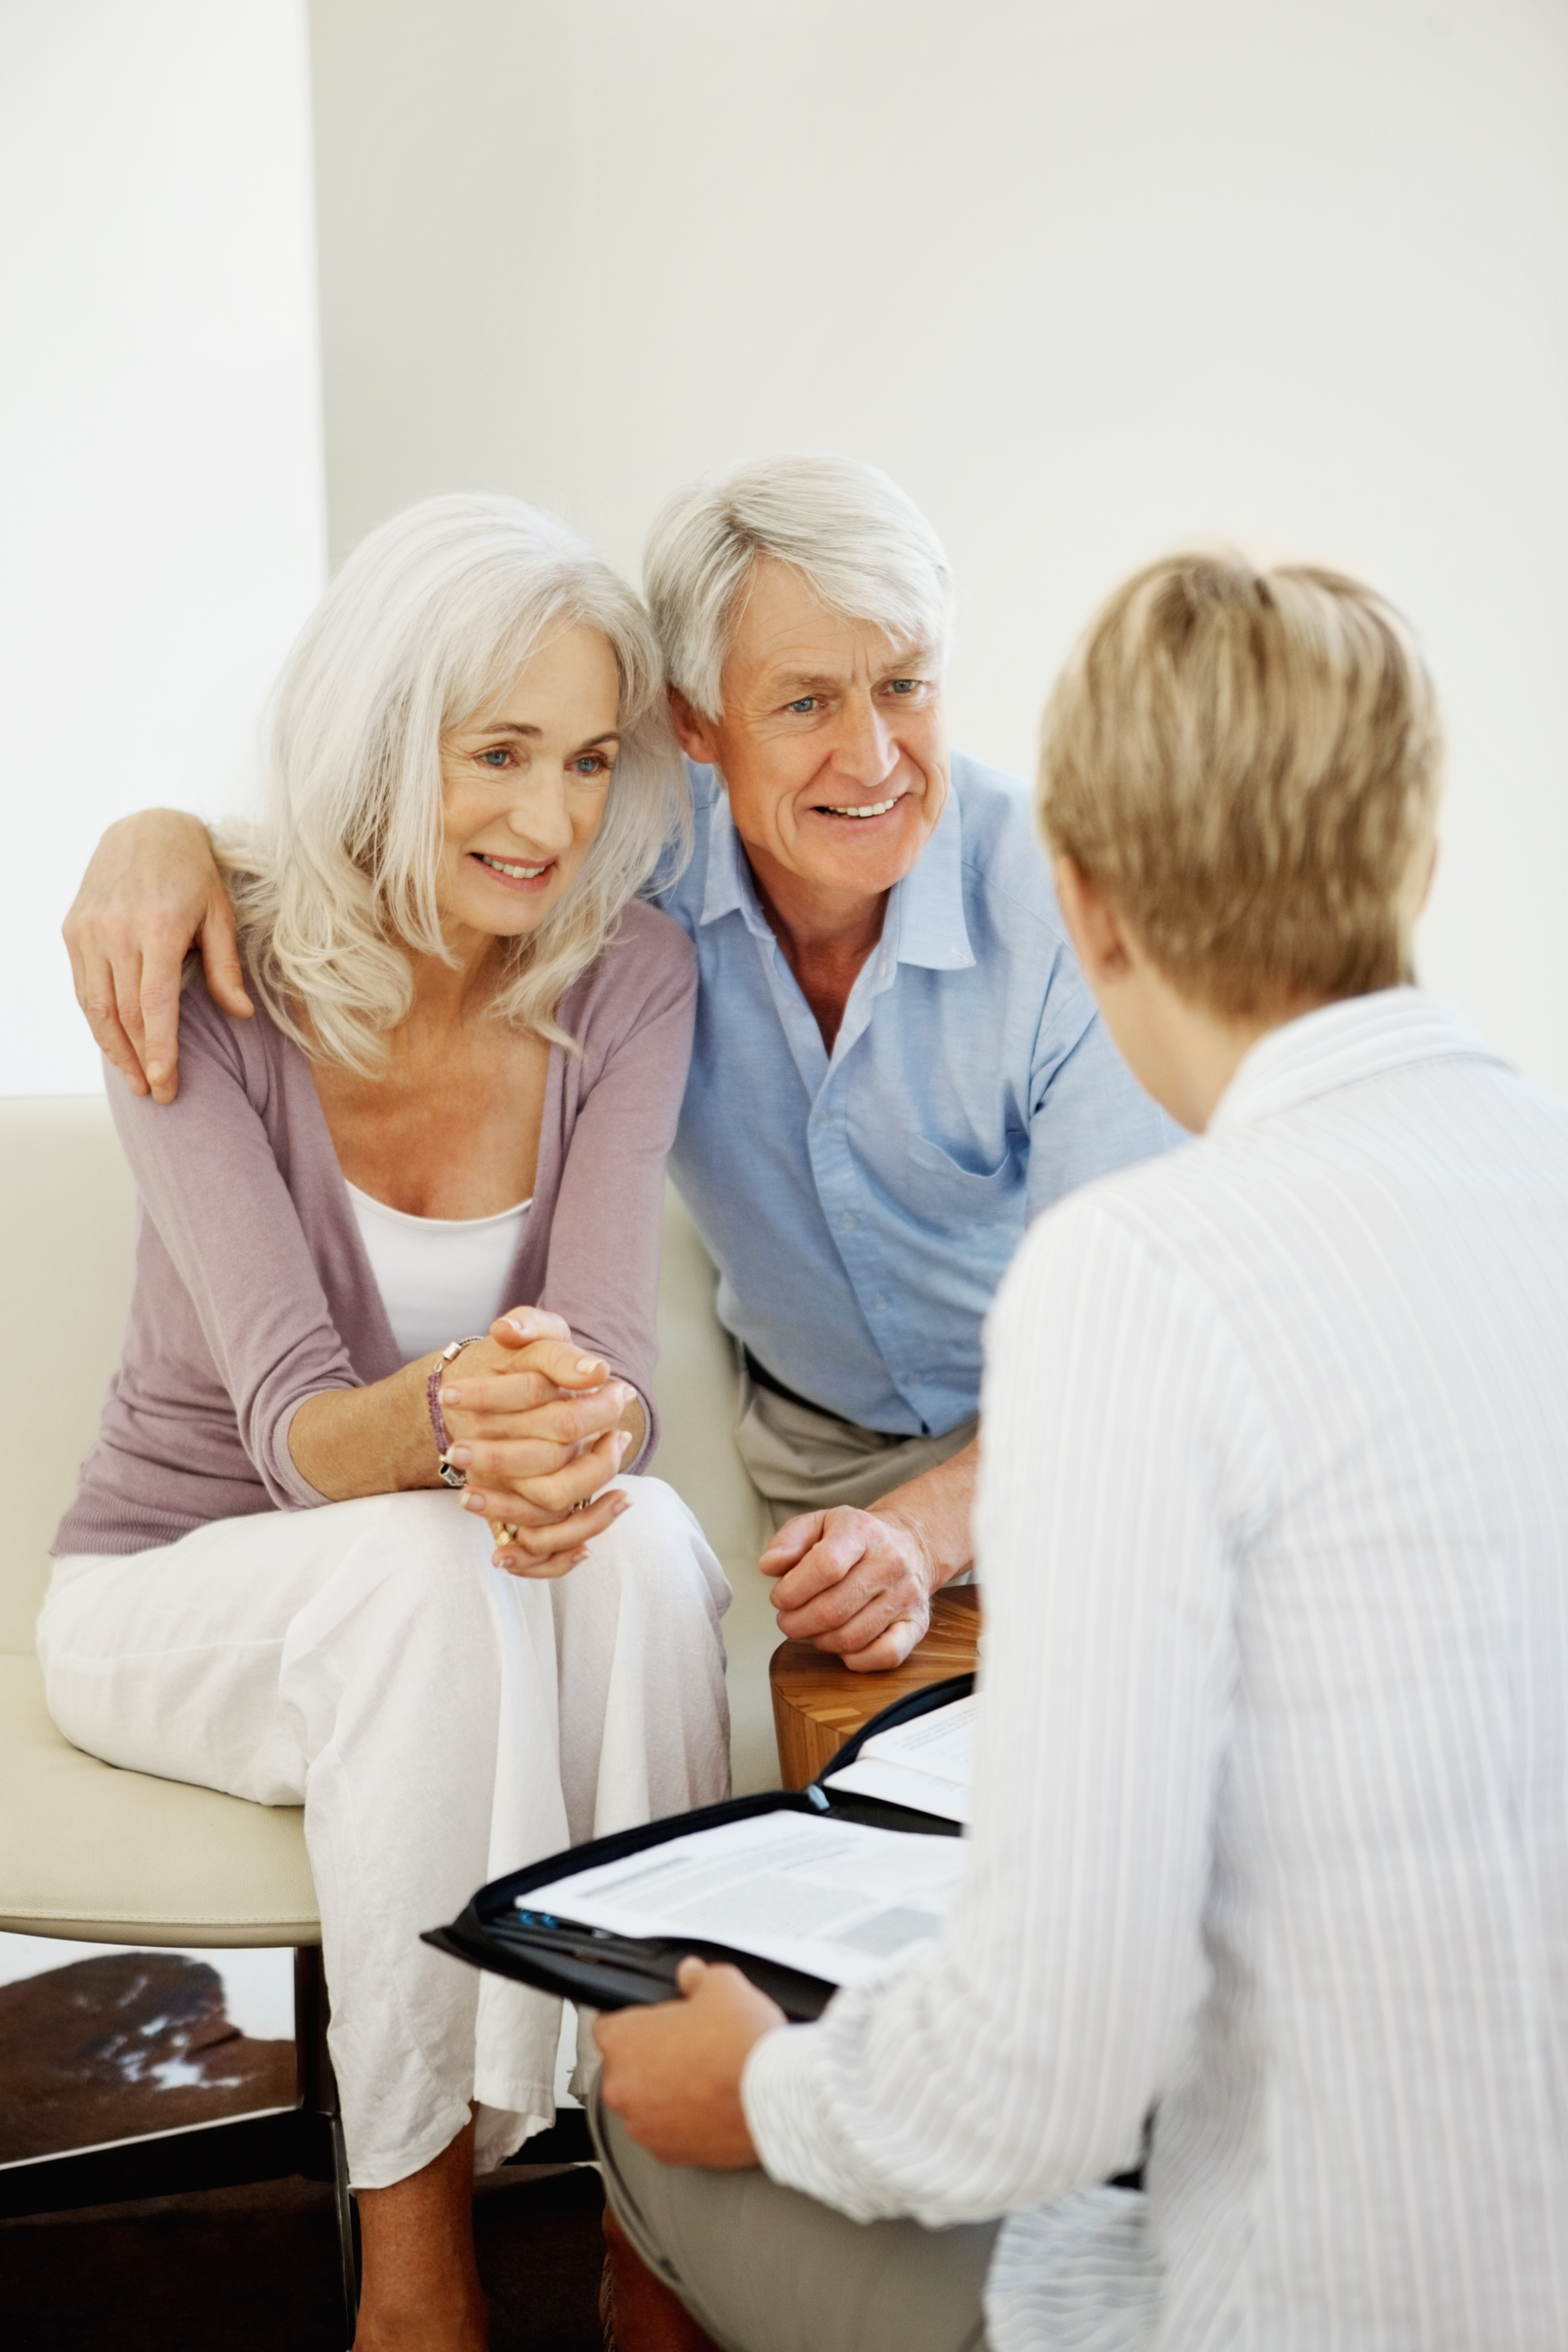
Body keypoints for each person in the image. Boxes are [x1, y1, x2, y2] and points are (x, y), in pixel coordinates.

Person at [589, 553, 1568, 2352]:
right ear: (1420, 863)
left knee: (643, 2128)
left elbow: (1045, 2069)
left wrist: (759, 2093)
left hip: (1321, 2295)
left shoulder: (1145, 1276)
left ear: (1087, 906)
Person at [62, 457, 1175, 1673]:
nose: (872, 758)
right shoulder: (615, 877)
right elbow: (395, 829)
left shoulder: (1072, 908)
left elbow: (1123, 1334)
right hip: (821, 1468)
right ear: (694, 728)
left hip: (1092, 1434)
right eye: (804, 703)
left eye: (905, 686)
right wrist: (159, 842)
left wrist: (922, 1532)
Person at [39, 494, 733, 2352]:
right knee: (421, 1576)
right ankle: (419, 2272)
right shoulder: (200, 964)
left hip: (477, 1555)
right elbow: (291, 1431)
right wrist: (478, 1413)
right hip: (179, 1580)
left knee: (656, 1541)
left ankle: (660, 2230)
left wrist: (566, 1426)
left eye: (589, 758)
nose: (552, 814)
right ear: (377, 742)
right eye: (495, 754)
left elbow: (612, 1368)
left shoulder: (633, 968)